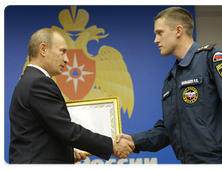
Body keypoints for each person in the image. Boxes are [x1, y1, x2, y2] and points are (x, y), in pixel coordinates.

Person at [116, 7, 222, 165]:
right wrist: (133, 140)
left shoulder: (211, 58)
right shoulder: (171, 78)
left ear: (178, 30)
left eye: (160, 33)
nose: (155, 40)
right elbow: (168, 130)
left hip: (219, 162)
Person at [9, 28, 134, 164]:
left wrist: (66, 152)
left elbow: (44, 133)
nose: (67, 59)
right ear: (43, 49)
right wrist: (111, 145)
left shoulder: (29, 80)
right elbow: (67, 130)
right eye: (62, 51)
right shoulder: (39, 82)